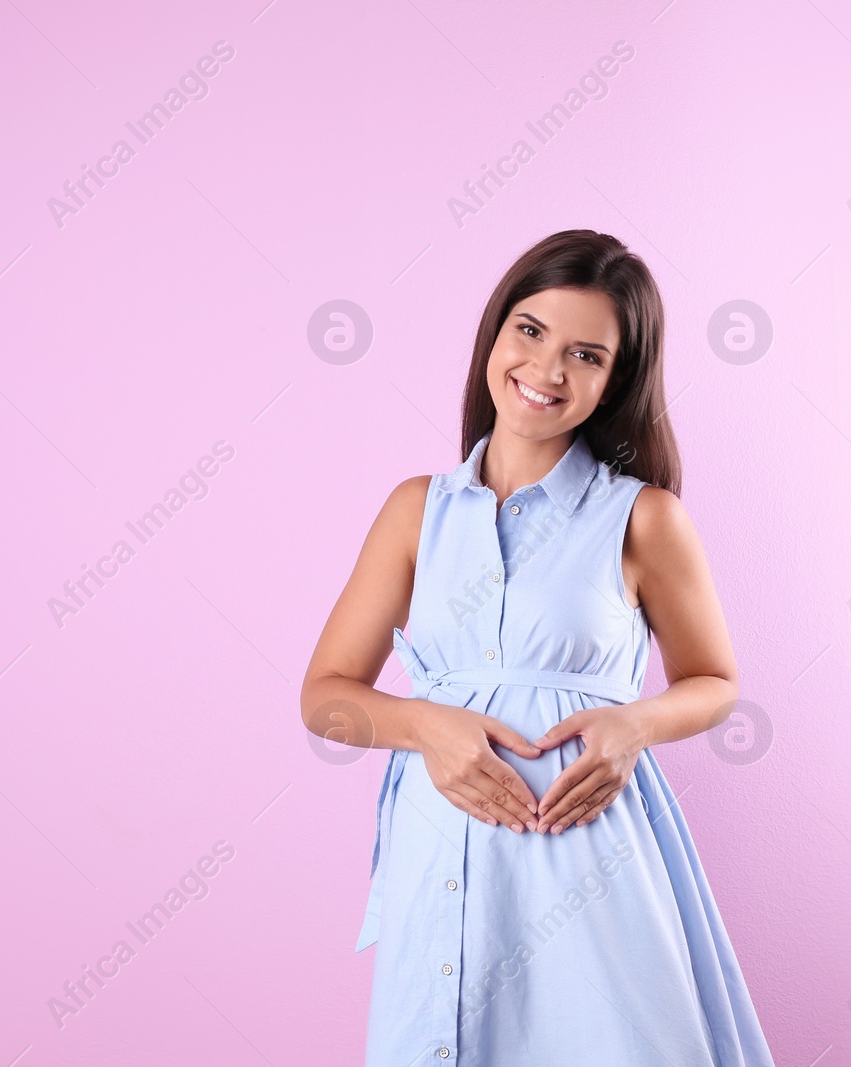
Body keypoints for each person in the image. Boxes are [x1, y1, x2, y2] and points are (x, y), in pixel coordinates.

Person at [301, 229, 776, 1065]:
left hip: (587, 853)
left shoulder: (643, 517)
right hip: (441, 843)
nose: (548, 370)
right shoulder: (418, 510)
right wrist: (430, 728)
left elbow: (715, 681)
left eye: (586, 353)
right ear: (495, 334)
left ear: (616, 377)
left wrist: (633, 726)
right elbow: (327, 695)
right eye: (530, 331)